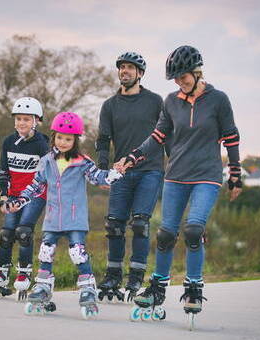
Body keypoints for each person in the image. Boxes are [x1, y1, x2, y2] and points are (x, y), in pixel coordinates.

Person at [124, 46, 243, 322]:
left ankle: (193, 287)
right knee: (165, 235)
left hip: (207, 176)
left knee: (193, 230)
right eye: (175, 79)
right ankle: (157, 288)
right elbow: (157, 136)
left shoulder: (218, 100)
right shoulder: (171, 101)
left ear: (197, 72)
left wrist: (235, 174)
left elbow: (232, 137)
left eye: (183, 77)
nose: (180, 82)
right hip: (175, 175)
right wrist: (135, 155)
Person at [7, 112, 124, 319]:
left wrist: (114, 174)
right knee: (46, 250)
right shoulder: (47, 161)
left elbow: (98, 178)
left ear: (75, 141)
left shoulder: (83, 162)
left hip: (74, 217)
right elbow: (35, 186)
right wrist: (18, 200)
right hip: (52, 217)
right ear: (53, 137)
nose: (63, 142)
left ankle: (88, 287)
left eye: (68, 139)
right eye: (59, 137)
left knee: (77, 253)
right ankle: (43, 286)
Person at [95, 52, 164, 302]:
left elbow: (166, 136)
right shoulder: (110, 105)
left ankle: (135, 277)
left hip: (150, 170)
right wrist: (103, 171)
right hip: (121, 173)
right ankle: (113, 276)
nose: (124, 71)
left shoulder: (156, 102)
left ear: (140, 74)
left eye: (130, 68)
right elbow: (102, 140)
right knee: (114, 224)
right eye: (121, 68)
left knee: (140, 224)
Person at [0, 97, 49, 300]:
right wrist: (4, 196)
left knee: (24, 231)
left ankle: (24, 274)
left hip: (35, 195)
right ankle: (0, 274)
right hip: (13, 195)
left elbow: (46, 174)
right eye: (18, 119)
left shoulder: (42, 144)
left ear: (36, 121)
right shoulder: (9, 142)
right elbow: (3, 172)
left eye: (26, 119)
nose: (21, 123)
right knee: (7, 233)